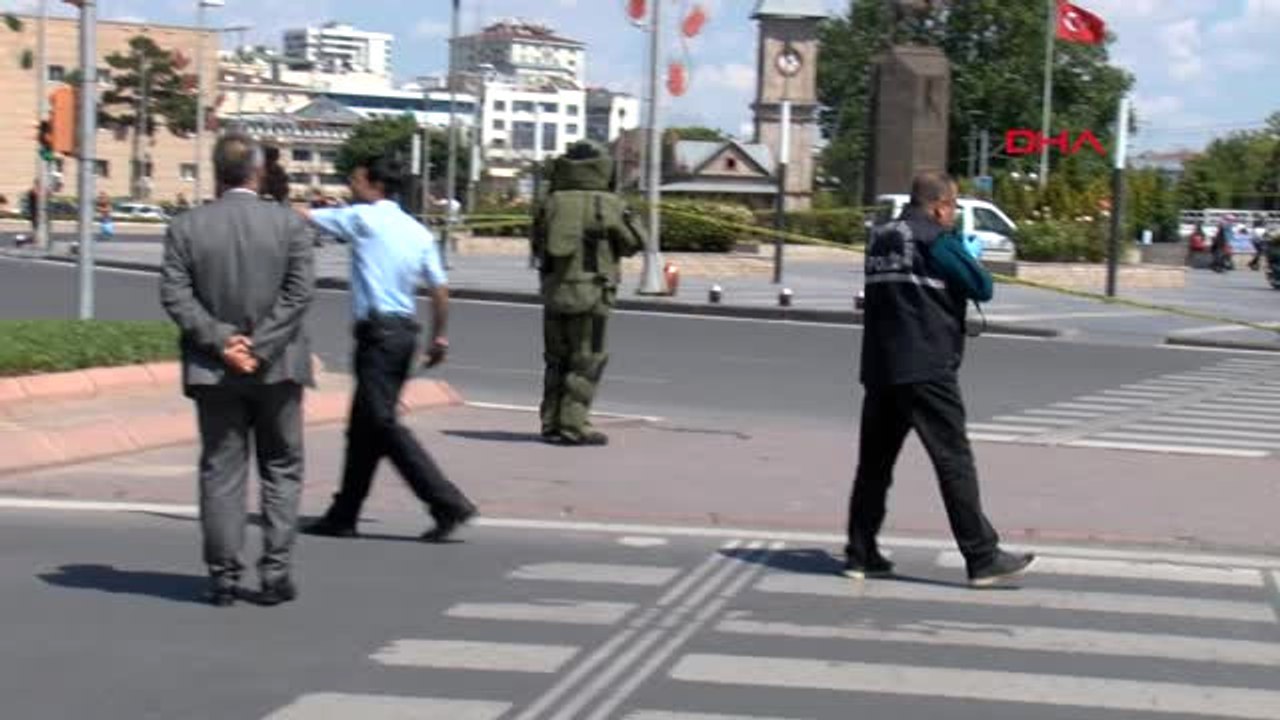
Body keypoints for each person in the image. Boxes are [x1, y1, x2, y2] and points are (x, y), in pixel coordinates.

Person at [845, 171, 1035, 587]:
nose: (953, 215)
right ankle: (982, 557)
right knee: (954, 461)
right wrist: (968, 255)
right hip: (927, 368)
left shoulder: (880, 237)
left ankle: (860, 552)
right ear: (939, 206)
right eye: (953, 208)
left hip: (881, 366)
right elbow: (981, 287)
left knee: (874, 466)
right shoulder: (937, 240)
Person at [159, 133, 316, 607]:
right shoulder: (289, 225)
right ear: (258, 171)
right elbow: (299, 294)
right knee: (281, 466)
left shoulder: (186, 227)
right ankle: (274, 573)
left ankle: (223, 575)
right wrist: (260, 346)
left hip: (214, 371)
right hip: (278, 368)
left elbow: (175, 295)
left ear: (216, 172)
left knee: (221, 470)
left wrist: (223, 342)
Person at [299, 154, 476, 542]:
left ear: (375, 184)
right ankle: (344, 514)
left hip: (377, 336)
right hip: (404, 335)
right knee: (364, 430)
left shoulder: (362, 219)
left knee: (381, 424)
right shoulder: (418, 231)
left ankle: (446, 502)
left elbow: (305, 217)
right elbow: (440, 289)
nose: (351, 185)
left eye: (356, 178)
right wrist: (439, 337)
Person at [531, 140, 645, 445]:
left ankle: (550, 423)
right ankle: (573, 425)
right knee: (587, 359)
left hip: (554, 292)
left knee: (556, 359)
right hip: (594, 294)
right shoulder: (609, 204)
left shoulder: (549, 202)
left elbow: (537, 245)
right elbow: (634, 242)